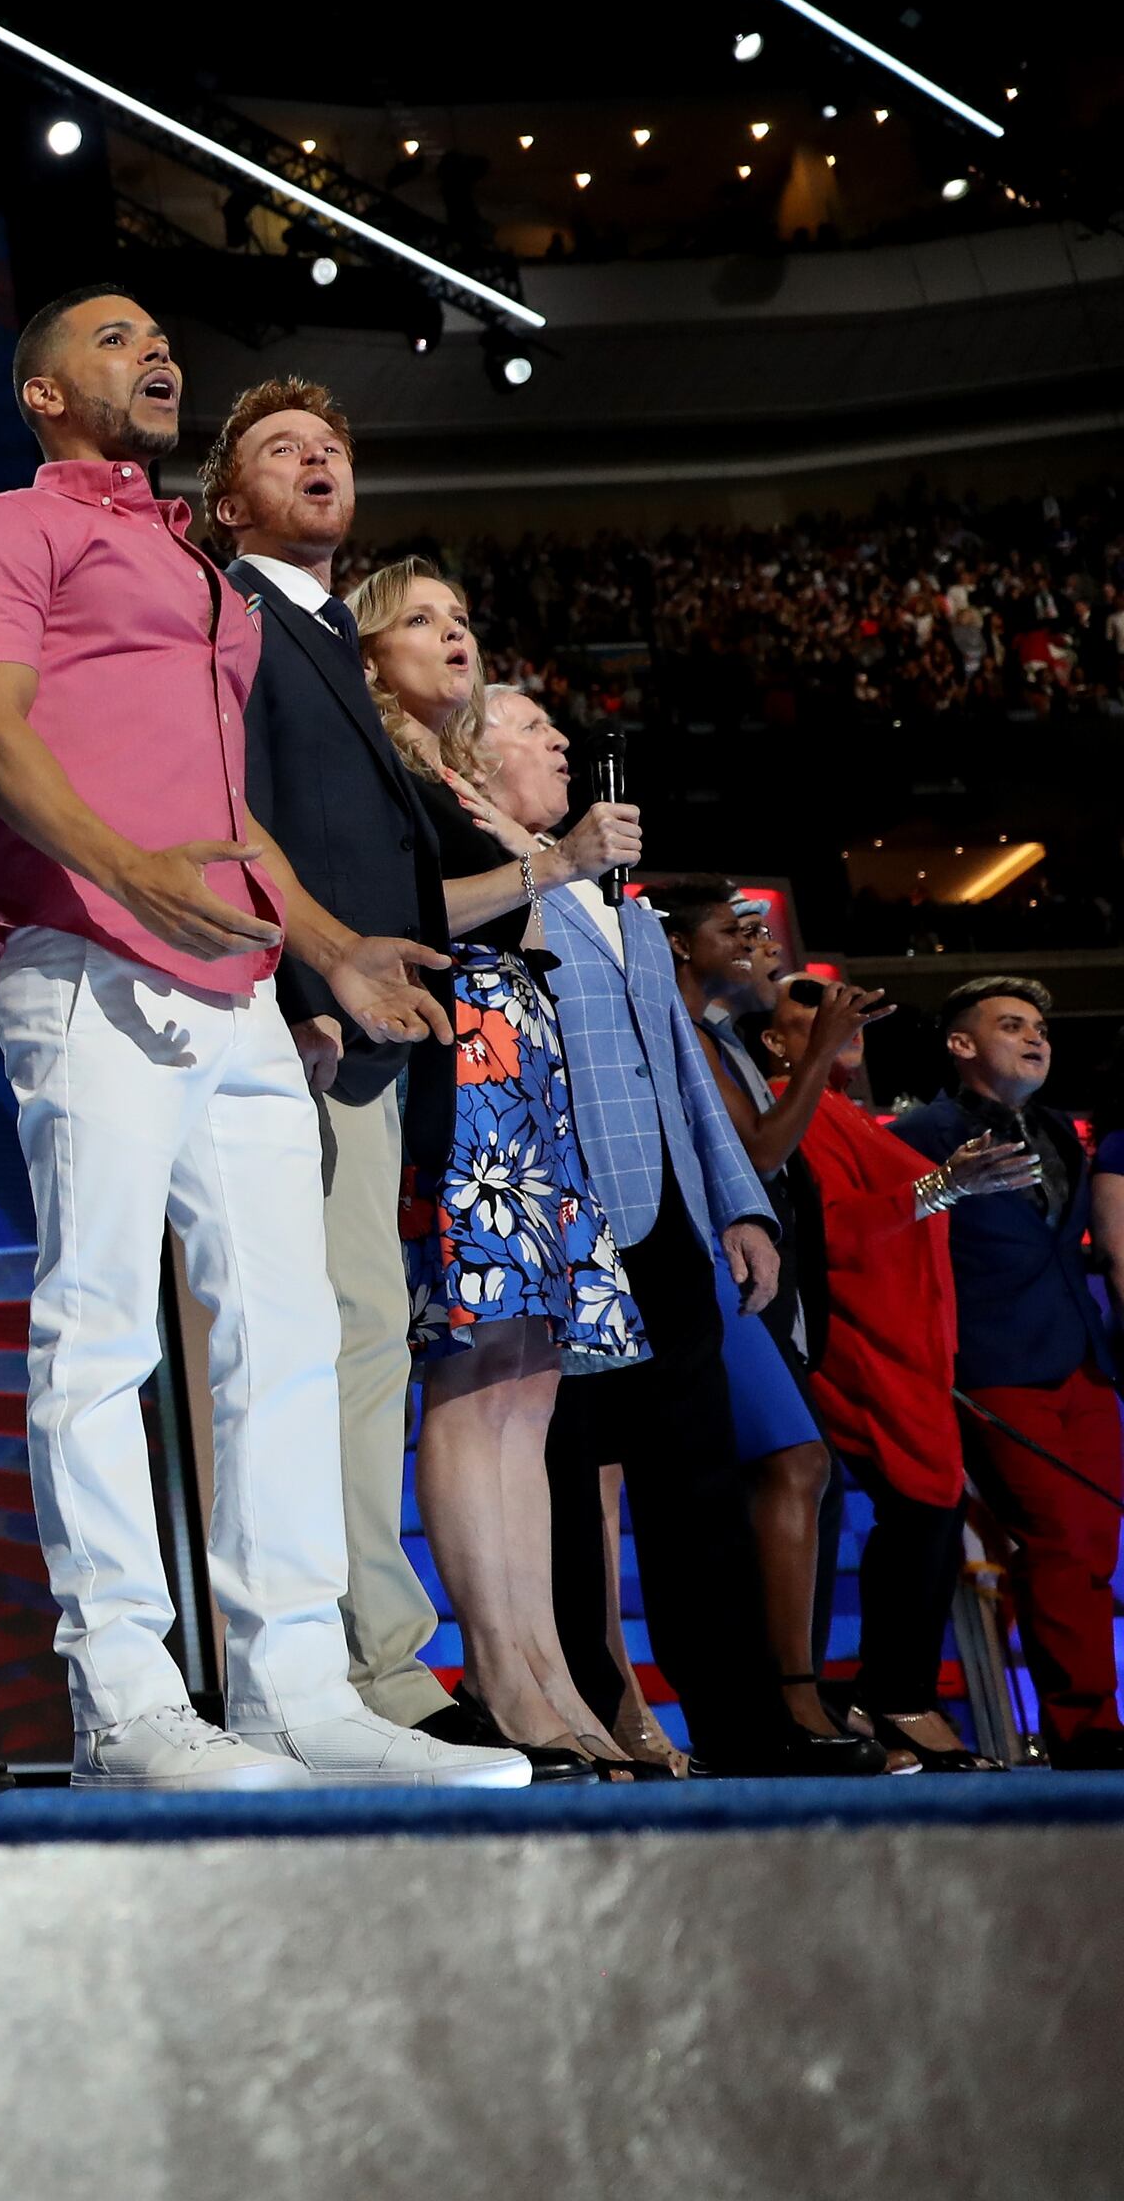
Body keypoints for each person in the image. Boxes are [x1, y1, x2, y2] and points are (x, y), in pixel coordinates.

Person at [0, 290, 515, 1790]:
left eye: (161, 335)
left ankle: (298, 1686)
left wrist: (325, 943)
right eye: (114, 340)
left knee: (292, 1332)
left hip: (238, 981)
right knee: (104, 1326)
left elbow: (226, 810)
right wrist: (135, 880)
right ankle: (123, 1699)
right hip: (85, 960)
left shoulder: (198, 578)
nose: (155, 350)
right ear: (46, 395)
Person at [455, 682, 874, 1776]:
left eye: (557, 729)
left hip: (673, 1222)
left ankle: (745, 1722)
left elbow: (686, 1070)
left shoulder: (630, 909)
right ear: (476, 755)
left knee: (698, 1485)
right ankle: (591, 1708)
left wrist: (736, 1201)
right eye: (533, 729)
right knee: (572, 1481)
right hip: (573, 1226)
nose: (559, 742)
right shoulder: (502, 883)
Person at [349, 587, 651, 1777]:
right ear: (369, 649)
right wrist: (558, 862)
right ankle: (506, 1678)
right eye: (422, 618)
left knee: (528, 1390)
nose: (454, 631)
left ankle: (549, 1672)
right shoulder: (386, 765)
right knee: (476, 1383)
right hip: (461, 1054)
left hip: (523, 1053)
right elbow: (409, 913)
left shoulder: (462, 779)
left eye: (462, 613)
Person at [201, 378, 463, 1743]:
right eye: (283, 450)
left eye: (334, 448)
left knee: (362, 1335)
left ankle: (369, 1644)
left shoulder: (314, 634)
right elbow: (230, 809)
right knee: (340, 1337)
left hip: (376, 1038)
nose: (319, 462)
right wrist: (299, 982)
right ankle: (367, 1657)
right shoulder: (234, 615)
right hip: (310, 1026)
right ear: (228, 502)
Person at [750, 957, 1033, 1770]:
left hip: (911, 1349)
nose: (843, 1017)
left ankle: (887, 1694)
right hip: (859, 1346)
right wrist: (943, 1185)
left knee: (928, 1520)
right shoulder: (782, 1107)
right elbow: (830, 1238)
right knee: (918, 1516)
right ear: (775, 1041)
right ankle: (887, 1697)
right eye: (811, 1007)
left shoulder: (844, 1116)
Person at [664, 880, 876, 1756]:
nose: (760, 946)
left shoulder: (727, 1042)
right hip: (709, 1270)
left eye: (760, 931)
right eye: (735, 931)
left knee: (798, 1479)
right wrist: (821, 1054)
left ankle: (798, 1696)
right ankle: (792, 1696)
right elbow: (756, 1155)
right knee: (792, 1466)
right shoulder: (696, 1041)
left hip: (770, 1294)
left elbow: (859, 1203)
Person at [891, 979, 1122, 1767]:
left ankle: (1080, 1722)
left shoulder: (1062, 1130)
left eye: (1042, 1029)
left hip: (1081, 1363)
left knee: (1094, 1543)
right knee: (1058, 1538)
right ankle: (1087, 1730)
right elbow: (895, 1232)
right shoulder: (923, 1132)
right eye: (1013, 1025)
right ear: (961, 1045)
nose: (1037, 1039)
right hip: (991, 1371)